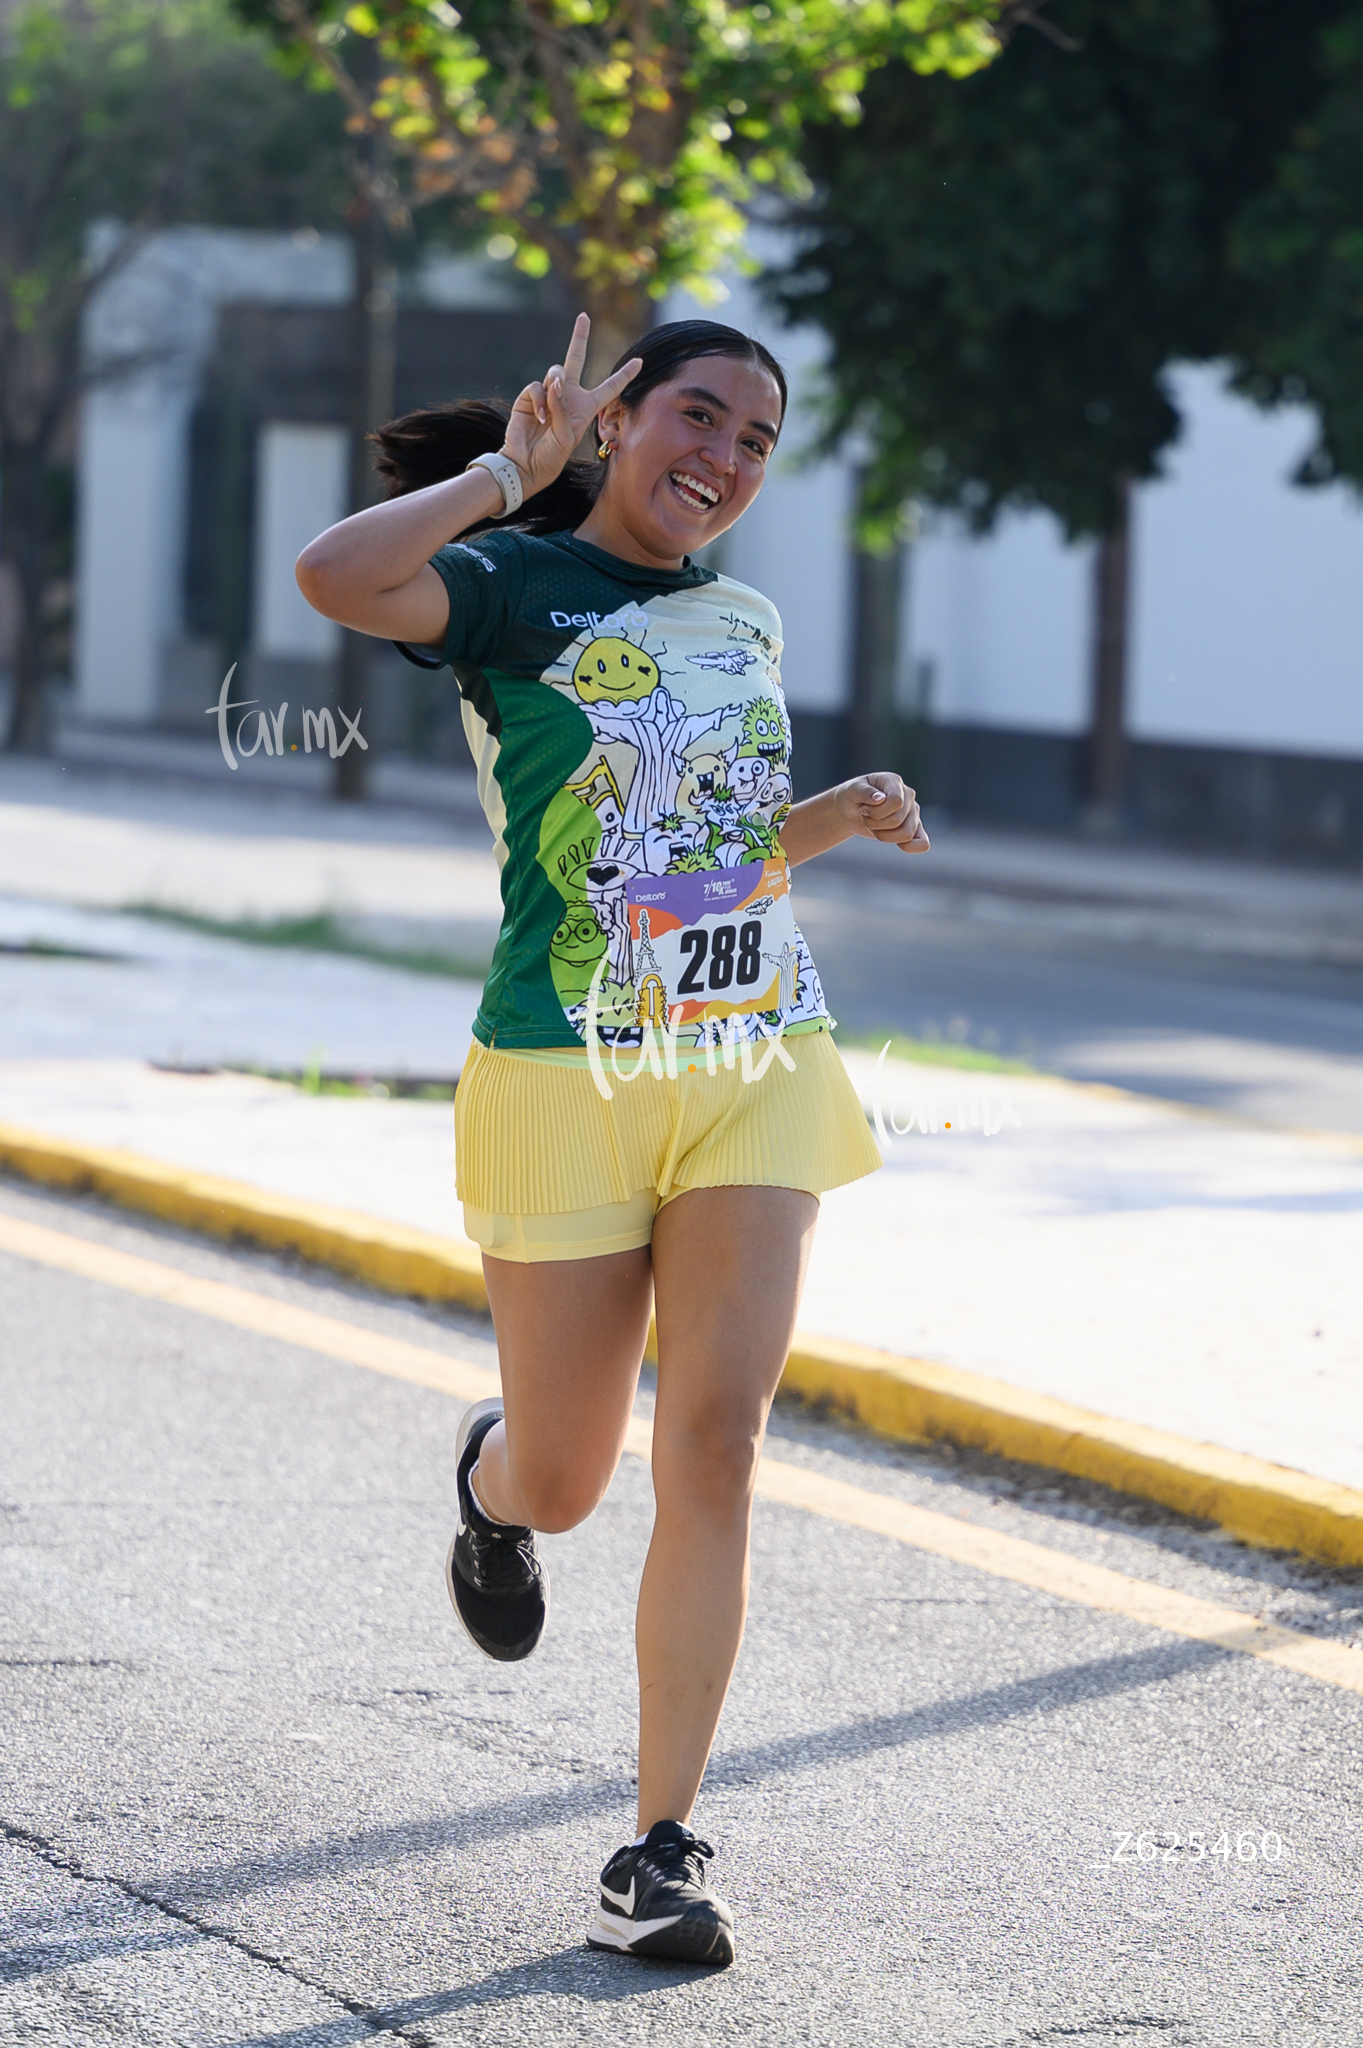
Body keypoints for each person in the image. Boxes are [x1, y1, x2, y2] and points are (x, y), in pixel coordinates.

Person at [295, 314, 929, 1968]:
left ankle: (659, 1846)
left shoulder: (747, 617)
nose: (722, 457)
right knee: (572, 1482)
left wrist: (828, 821)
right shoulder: (508, 582)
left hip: (749, 1055)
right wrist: (512, 470)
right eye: (696, 415)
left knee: (715, 1441)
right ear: (621, 416)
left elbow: (699, 863)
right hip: (561, 1074)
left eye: (757, 440)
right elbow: (333, 578)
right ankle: (493, 1485)